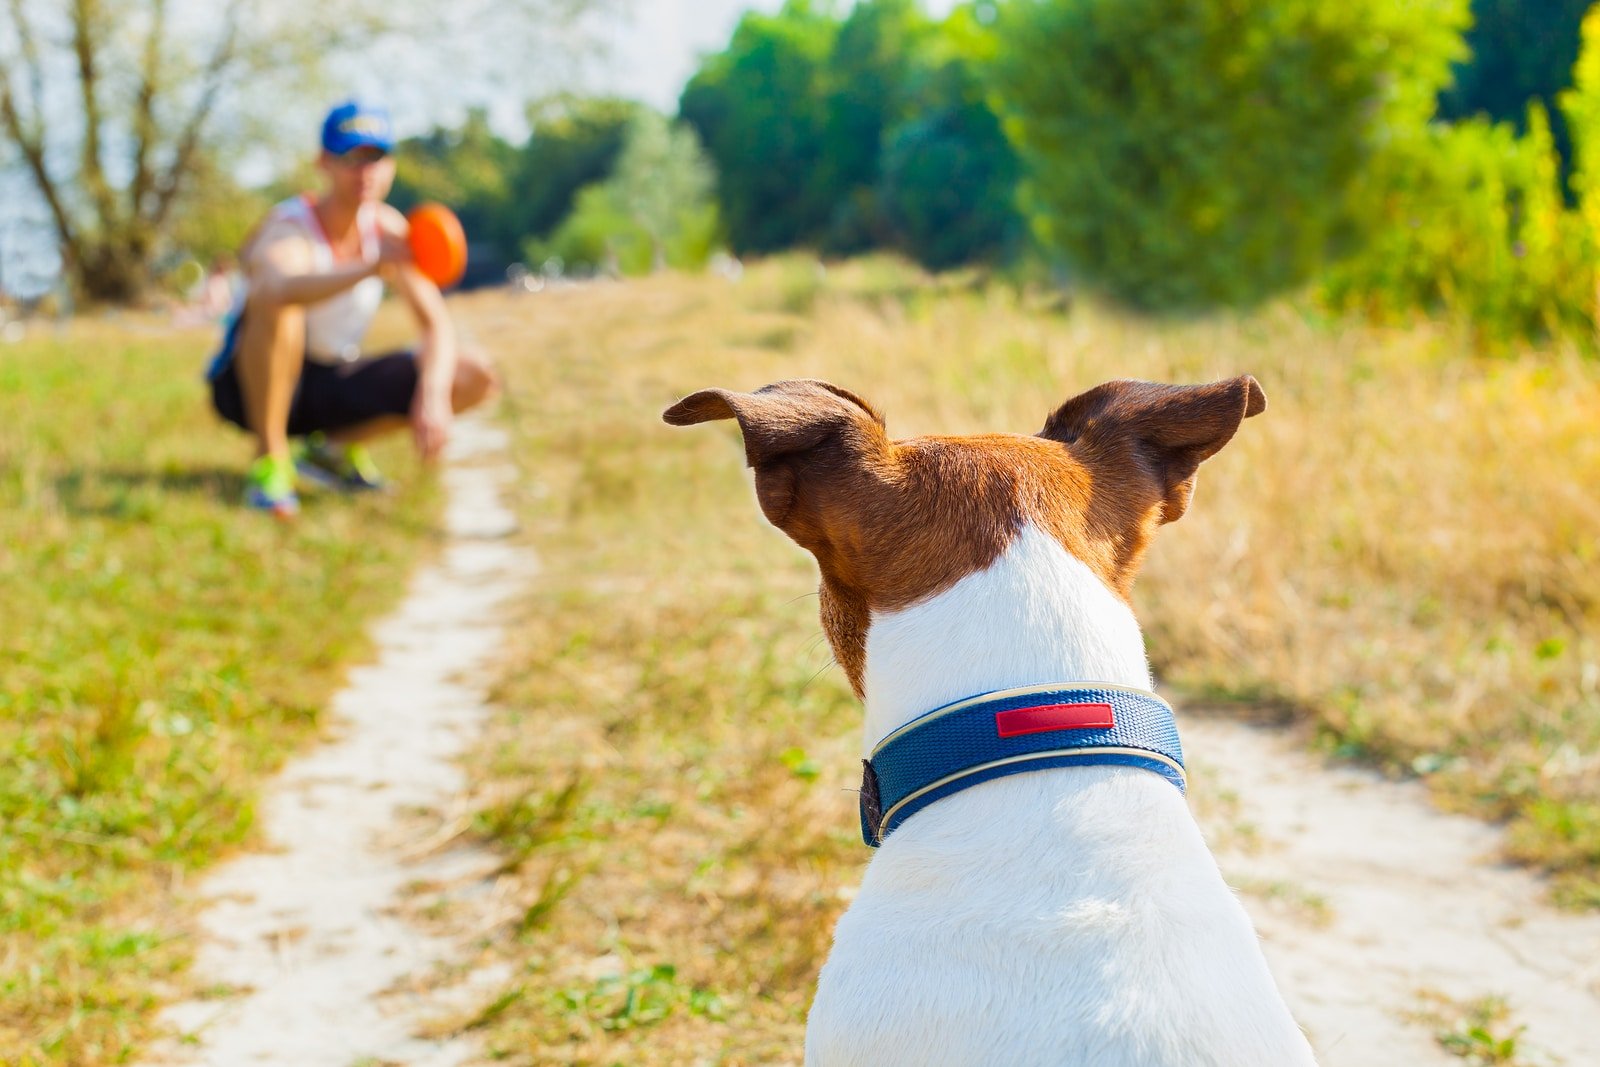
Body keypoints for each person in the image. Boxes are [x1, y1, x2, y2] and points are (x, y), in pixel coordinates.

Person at [205, 99, 497, 517]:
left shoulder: (389, 228)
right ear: (323, 163)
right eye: (351, 158)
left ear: (391, 165)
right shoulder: (291, 225)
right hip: (249, 386)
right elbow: (276, 287)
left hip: (332, 378)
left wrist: (432, 396)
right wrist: (367, 268)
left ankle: (330, 452)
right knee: (280, 305)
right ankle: (271, 463)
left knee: (472, 375)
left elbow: (436, 325)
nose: (365, 172)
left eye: (375, 158)